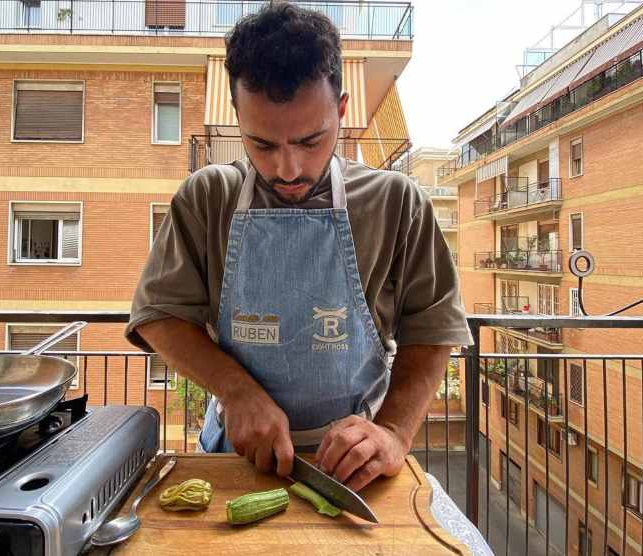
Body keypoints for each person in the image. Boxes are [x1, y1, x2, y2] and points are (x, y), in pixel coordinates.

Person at [126, 3, 472, 493]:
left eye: (311, 140)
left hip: (357, 468)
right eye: (262, 145)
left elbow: (433, 329)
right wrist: (236, 390)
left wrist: (392, 433)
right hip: (233, 460)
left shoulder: (396, 202)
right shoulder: (207, 198)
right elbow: (157, 315)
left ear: (342, 110)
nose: (288, 169)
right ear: (236, 115)